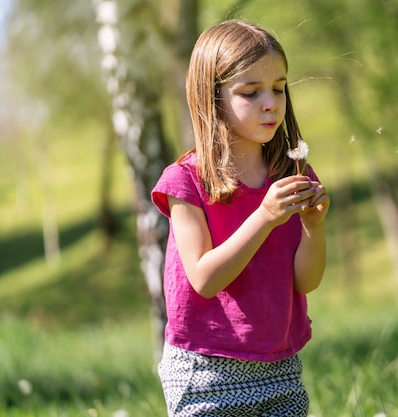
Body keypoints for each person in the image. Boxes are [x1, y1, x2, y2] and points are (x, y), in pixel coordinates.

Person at [151, 19, 330, 417]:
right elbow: (204, 279)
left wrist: (314, 229)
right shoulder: (185, 181)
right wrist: (265, 215)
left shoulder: (292, 173)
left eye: (280, 88)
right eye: (251, 92)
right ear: (211, 98)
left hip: (279, 365)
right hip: (205, 371)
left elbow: (306, 281)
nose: (271, 102)